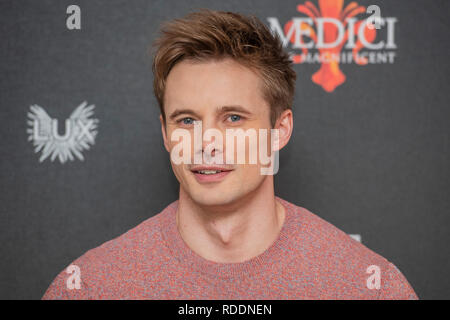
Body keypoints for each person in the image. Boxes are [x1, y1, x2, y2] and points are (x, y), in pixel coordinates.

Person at [42, 9, 417, 300]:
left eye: (233, 118)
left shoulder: (367, 285)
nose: (207, 142)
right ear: (166, 134)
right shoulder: (90, 286)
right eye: (187, 120)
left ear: (279, 130)